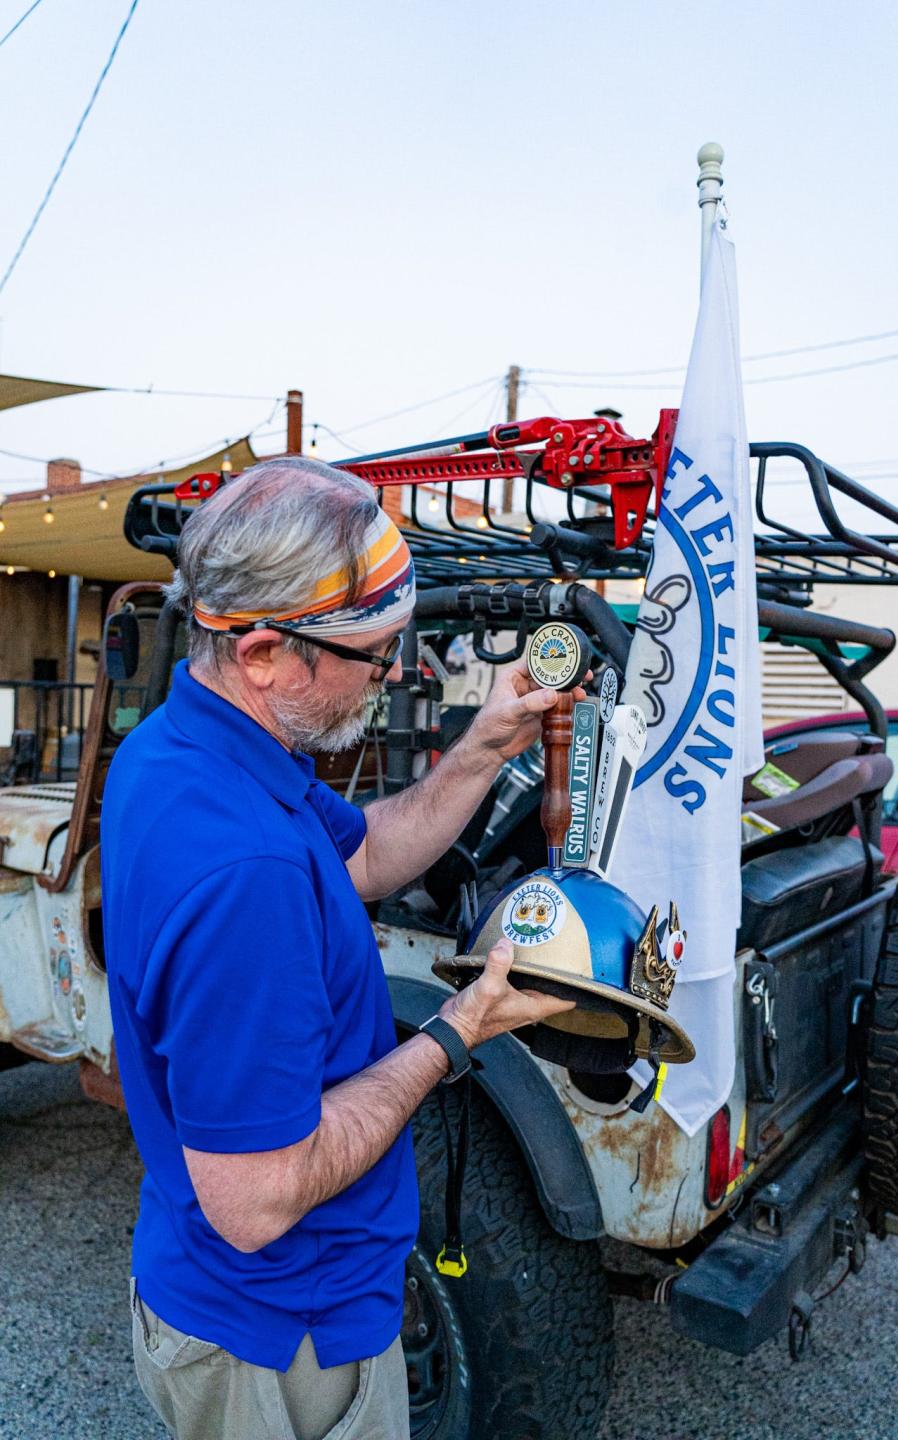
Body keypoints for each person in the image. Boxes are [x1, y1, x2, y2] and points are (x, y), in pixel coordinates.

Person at [100, 456, 579, 1440]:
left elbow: (366, 856)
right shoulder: (246, 872)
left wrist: (487, 743)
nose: (400, 672)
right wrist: (455, 1034)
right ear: (268, 650)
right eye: (373, 652)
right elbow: (255, 1199)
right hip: (278, 1337)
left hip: (240, 1297)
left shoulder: (183, 745)